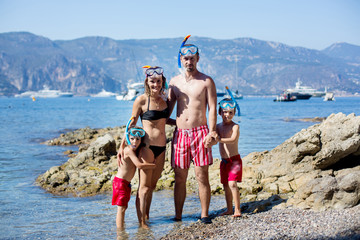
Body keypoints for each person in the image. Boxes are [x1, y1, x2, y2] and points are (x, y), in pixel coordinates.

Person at [167, 43, 217, 224]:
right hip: (181, 134)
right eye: (186, 58)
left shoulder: (206, 81)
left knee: (201, 175)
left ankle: (204, 215)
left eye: (192, 58)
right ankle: (178, 216)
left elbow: (212, 109)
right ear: (181, 59)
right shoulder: (174, 82)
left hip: (201, 134)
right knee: (179, 177)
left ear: (198, 59)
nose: (189, 61)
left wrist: (212, 132)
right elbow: (167, 110)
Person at [118, 65, 169, 229]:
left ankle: (146, 216)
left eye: (159, 81)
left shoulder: (164, 100)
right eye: (152, 81)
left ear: (162, 82)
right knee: (144, 188)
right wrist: (122, 145)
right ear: (147, 82)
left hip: (162, 147)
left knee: (152, 186)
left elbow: (164, 122)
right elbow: (131, 124)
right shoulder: (141, 100)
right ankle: (141, 224)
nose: (156, 84)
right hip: (147, 148)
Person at [112, 127, 156, 231]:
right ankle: (120, 233)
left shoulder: (134, 150)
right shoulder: (128, 150)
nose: (134, 141)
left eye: (137, 139)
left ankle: (122, 227)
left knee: (124, 207)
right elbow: (139, 165)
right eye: (132, 139)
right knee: (121, 209)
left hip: (126, 183)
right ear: (127, 139)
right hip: (120, 183)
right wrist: (152, 165)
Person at [215, 98, 242, 217]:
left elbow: (233, 140)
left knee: (232, 184)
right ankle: (229, 209)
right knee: (225, 186)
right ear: (219, 112)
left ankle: (237, 209)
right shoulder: (218, 126)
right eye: (225, 112)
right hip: (224, 161)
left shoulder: (235, 127)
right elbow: (213, 139)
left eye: (231, 112)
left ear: (234, 113)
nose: (227, 115)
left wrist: (219, 139)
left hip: (234, 161)